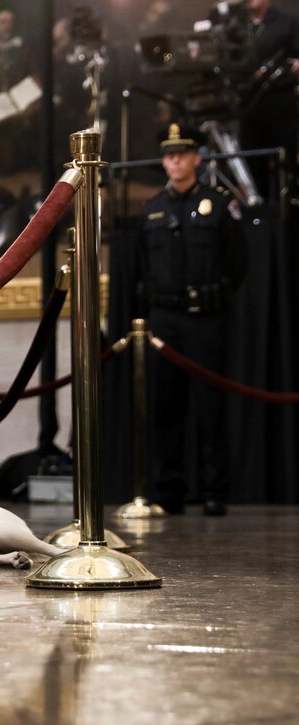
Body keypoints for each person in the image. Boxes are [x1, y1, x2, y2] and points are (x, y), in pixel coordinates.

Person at [135, 124, 246, 516]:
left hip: (206, 318)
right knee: (165, 408)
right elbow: (142, 269)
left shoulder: (220, 204)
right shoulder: (150, 210)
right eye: (169, 155)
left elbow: (237, 263)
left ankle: (215, 490)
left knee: (211, 408)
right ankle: (169, 491)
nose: (175, 161)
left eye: (183, 154)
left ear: (197, 158)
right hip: (165, 318)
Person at [237, 0, 299, 196]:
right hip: (246, 103)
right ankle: (258, 208)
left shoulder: (288, 21)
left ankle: (288, 204)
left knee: (286, 161)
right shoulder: (234, 24)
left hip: (280, 101)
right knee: (251, 162)